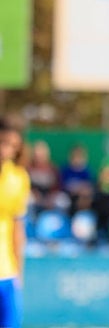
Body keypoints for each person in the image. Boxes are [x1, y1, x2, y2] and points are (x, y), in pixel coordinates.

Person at [0, 124, 29, 328]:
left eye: (11, 145)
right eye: (2, 142)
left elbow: (18, 229)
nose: (5, 150)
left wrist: (19, 272)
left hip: (6, 273)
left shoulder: (18, 179)